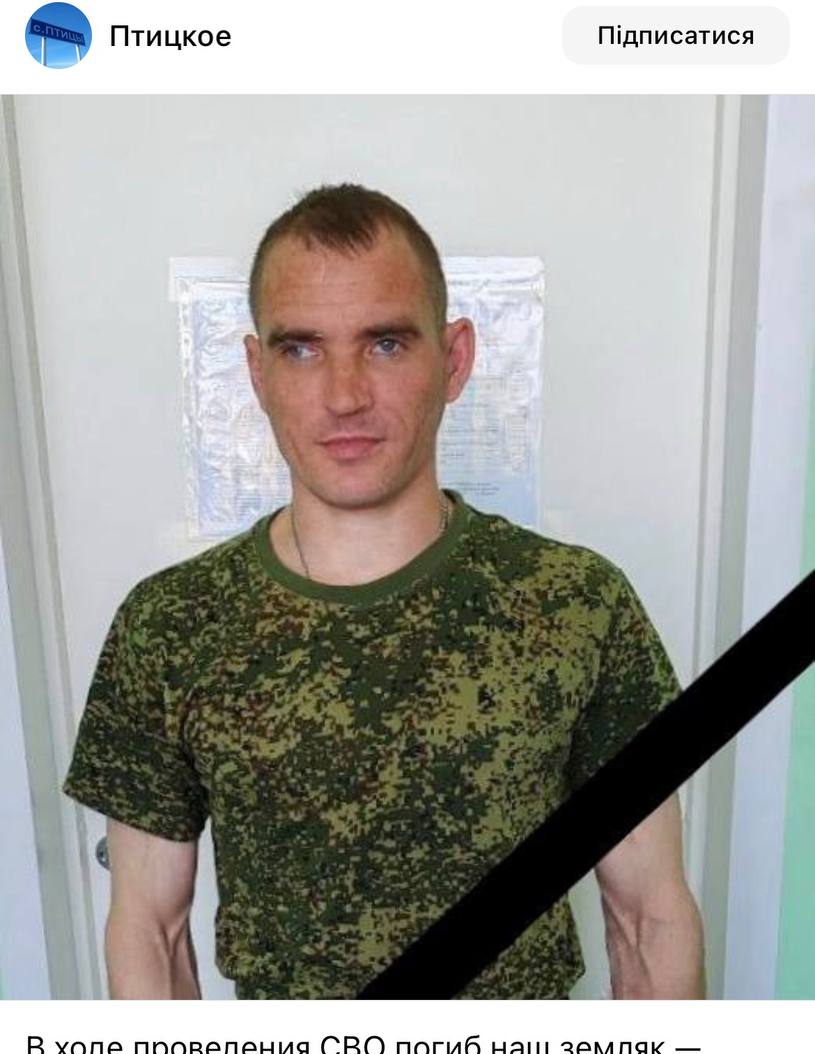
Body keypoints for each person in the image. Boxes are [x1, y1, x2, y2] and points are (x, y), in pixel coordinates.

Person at [62, 182, 705, 1000]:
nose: (344, 396)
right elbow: (149, 933)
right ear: (257, 373)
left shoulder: (576, 603)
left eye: (386, 344)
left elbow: (648, 919)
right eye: (301, 350)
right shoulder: (170, 625)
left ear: (454, 359)